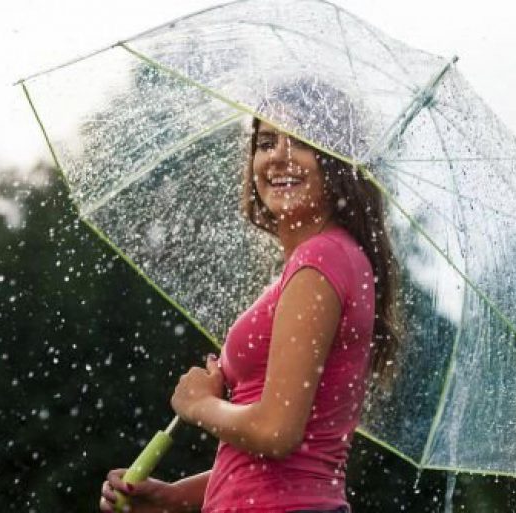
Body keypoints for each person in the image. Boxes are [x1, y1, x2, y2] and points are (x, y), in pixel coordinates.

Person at [99, 79, 401, 513]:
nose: (277, 155)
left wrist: (198, 403)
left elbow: (276, 433)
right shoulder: (328, 260)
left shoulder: (321, 259)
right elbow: (275, 461)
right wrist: (170, 497)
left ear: (336, 161)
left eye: (301, 141)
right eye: (265, 142)